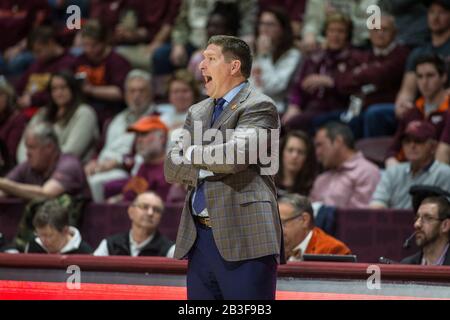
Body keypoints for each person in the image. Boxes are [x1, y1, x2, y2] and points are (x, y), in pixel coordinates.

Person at [164, 35, 283, 300]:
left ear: (233, 67)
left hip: (245, 235)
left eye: (211, 58)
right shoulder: (197, 111)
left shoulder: (259, 106)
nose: (201, 66)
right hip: (199, 238)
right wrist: (210, 161)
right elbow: (171, 166)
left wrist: (193, 153)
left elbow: (234, 156)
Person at [85, 69, 158, 202]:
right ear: (125, 95)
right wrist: (93, 161)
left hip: (126, 170)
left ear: (151, 93)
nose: (136, 96)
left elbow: (146, 158)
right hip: (102, 166)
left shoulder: (156, 120)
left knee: (94, 182)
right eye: (132, 91)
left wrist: (117, 163)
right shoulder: (114, 120)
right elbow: (101, 148)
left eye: (141, 91)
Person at [283, 13, 363, 134]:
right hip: (310, 108)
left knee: (300, 123)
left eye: (340, 31)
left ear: (348, 35)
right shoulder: (315, 56)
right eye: (331, 30)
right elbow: (298, 86)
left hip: (338, 109)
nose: (335, 35)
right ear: (325, 33)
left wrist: (329, 81)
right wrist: (294, 106)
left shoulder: (354, 58)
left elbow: (354, 87)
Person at [16, 71, 99, 164]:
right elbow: (24, 143)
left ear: (73, 89)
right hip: (34, 168)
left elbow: (72, 151)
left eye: (63, 87)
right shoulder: (43, 113)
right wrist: (27, 164)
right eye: (54, 89)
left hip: (69, 170)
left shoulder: (85, 113)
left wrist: (39, 163)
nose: (59, 92)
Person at [385, 54, 450, 167]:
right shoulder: (412, 112)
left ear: (443, 77)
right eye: (420, 76)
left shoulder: (447, 110)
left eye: (430, 76)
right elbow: (393, 151)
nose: (424, 82)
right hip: (410, 171)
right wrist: (394, 170)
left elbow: (444, 153)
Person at [371, 121, 450, 209]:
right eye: (407, 141)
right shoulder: (393, 172)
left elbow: (445, 212)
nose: (412, 145)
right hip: (392, 222)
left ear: (433, 146)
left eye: (418, 141)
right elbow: (376, 205)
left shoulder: (445, 173)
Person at [74, 19, 131, 127]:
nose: (89, 50)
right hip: (84, 108)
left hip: (111, 110)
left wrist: (91, 90)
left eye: (94, 45)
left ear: (104, 42)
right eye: (85, 45)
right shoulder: (81, 60)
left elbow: (120, 92)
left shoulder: (118, 62)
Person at [310, 122, 380, 208]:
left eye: (320, 145)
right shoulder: (321, 179)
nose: (317, 152)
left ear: (338, 141)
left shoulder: (367, 172)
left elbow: (360, 217)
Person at [105, 115, 171, 203]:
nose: (139, 140)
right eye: (137, 135)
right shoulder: (144, 166)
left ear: (162, 138)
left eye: (144, 134)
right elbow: (130, 195)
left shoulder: (169, 171)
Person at [251, 6, 301, 113]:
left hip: (273, 109)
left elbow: (273, 88)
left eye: (270, 24)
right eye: (262, 23)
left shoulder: (292, 55)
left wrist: (264, 56)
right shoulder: (252, 50)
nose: (264, 28)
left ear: (282, 29)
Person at [94, 192, 175, 257]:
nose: (150, 213)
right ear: (131, 211)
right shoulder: (110, 244)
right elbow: (92, 273)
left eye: (156, 210)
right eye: (145, 207)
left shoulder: (169, 250)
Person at [15, 26, 76, 111]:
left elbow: (61, 93)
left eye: (39, 51)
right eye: (33, 53)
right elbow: (19, 87)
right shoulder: (36, 64)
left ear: (50, 43)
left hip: (47, 111)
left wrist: (33, 100)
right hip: (26, 111)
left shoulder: (68, 63)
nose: (35, 56)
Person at [279, 193, 351, 261]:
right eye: (274, 224)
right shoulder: (272, 248)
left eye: (282, 223)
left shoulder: (332, 250)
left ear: (304, 220)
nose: (276, 230)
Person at [24, 198, 92, 254]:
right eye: (39, 235)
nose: (43, 240)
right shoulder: (34, 245)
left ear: (65, 231)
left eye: (48, 235)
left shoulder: (84, 252)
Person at [401, 194, 450, 265]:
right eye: (417, 218)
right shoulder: (407, 264)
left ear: (445, 225)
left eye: (428, 218)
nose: (417, 224)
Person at [275, 130, 318, 197]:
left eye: (300, 152)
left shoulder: (312, 189)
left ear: (307, 157)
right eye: (290, 150)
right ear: (282, 152)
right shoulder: (269, 184)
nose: (294, 156)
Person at [0, 77, 27, 175]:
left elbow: (10, 153)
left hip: (7, 170)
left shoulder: (17, 119)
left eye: (0, 95)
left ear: (8, 96)